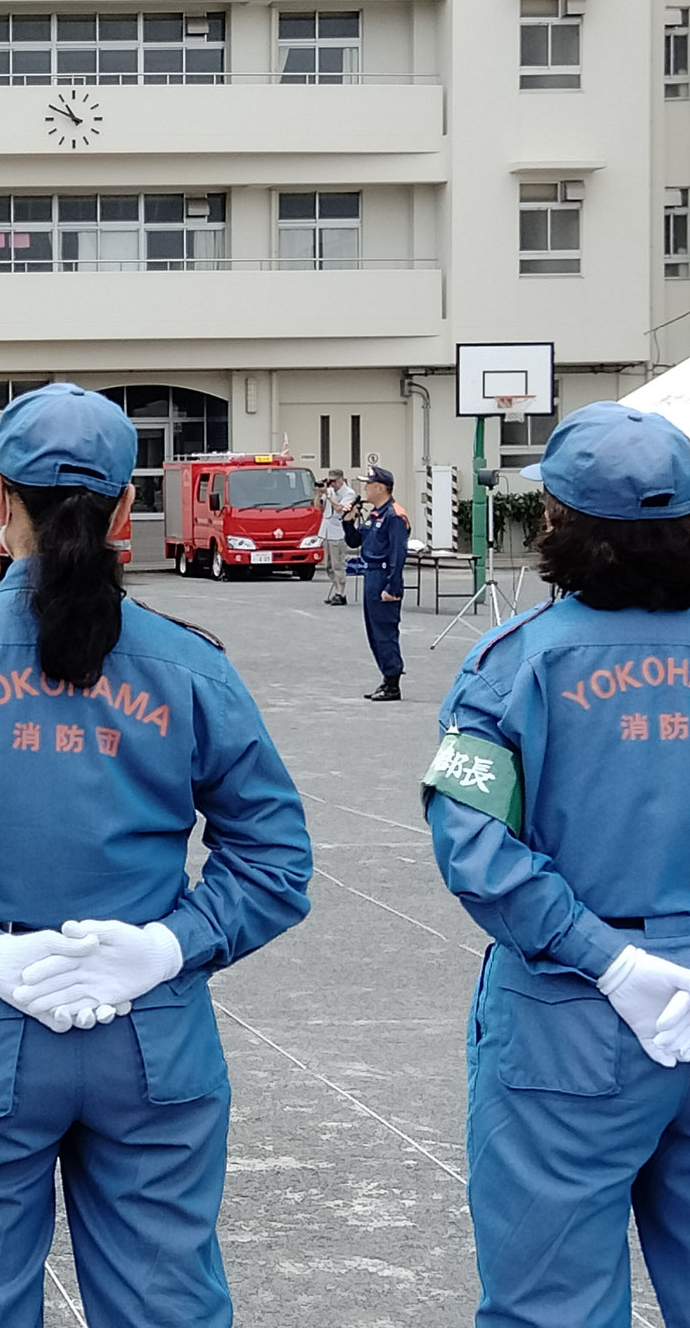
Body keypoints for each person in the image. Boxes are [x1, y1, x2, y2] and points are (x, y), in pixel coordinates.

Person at [0, 383, 312, 1328]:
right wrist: (169, 946)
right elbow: (275, 854)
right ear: (129, 507)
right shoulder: (193, 668)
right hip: (151, 1036)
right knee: (167, 1304)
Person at [423, 401, 690, 1328]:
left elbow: (474, 842)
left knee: (551, 1306)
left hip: (574, 1008)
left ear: (559, 525)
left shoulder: (513, 665)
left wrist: (610, 960)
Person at [357, 465, 409, 700]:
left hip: (384, 575)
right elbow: (354, 540)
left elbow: (398, 555)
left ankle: (392, 682)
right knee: (374, 632)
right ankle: (386, 677)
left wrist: (393, 587)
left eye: (368, 484)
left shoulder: (394, 515)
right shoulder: (374, 514)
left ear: (380, 487)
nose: (364, 488)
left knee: (385, 631)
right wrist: (347, 519)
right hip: (370, 574)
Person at [318, 469, 357, 607]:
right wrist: (319, 493)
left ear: (341, 479)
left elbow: (340, 509)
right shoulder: (330, 491)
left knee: (338, 565)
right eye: (330, 481)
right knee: (328, 566)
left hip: (338, 533)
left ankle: (341, 593)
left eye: (334, 481)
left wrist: (329, 497)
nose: (332, 484)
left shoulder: (349, 493)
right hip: (326, 531)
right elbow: (318, 507)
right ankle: (336, 591)